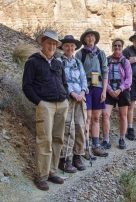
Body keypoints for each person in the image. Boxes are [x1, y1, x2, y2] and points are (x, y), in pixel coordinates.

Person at [22, 30, 69, 191]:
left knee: (58, 139)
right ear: (42, 43)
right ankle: (41, 176)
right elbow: (26, 86)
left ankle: (52, 172)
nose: (52, 46)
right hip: (45, 105)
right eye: (49, 43)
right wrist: (39, 103)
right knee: (45, 140)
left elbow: (64, 82)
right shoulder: (33, 62)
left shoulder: (58, 63)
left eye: (54, 44)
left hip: (61, 104)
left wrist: (66, 98)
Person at [57, 35, 88, 173]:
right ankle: (65, 158)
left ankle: (78, 156)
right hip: (67, 98)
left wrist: (82, 92)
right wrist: (72, 93)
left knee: (80, 126)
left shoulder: (78, 62)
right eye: (67, 46)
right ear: (63, 47)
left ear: (75, 48)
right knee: (68, 127)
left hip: (80, 99)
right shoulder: (58, 62)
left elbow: (83, 79)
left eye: (72, 46)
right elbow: (61, 80)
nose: (69, 48)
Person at [75, 28, 108, 157]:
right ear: (84, 39)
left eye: (92, 36)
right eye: (88, 36)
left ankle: (96, 146)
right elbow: (78, 72)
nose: (90, 38)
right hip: (86, 88)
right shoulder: (80, 54)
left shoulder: (101, 54)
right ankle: (85, 147)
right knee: (87, 118)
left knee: (96, 117)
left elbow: (105, 72)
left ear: (95, 39)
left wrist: (104, 90)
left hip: (99, 87)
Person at [101, 38, 132, 149]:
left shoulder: (126, 62)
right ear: (112, 46)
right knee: (105, 115)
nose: (117, 47)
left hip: (122, 91)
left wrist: (119, 89)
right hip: (109, 91)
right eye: (115, 45)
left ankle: (122, 138)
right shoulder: (107, 60)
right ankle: (106, 140)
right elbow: (103, 76)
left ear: (122, 47)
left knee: (123, 115)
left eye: (119, 45)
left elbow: (129, 79)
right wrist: (109, 89)